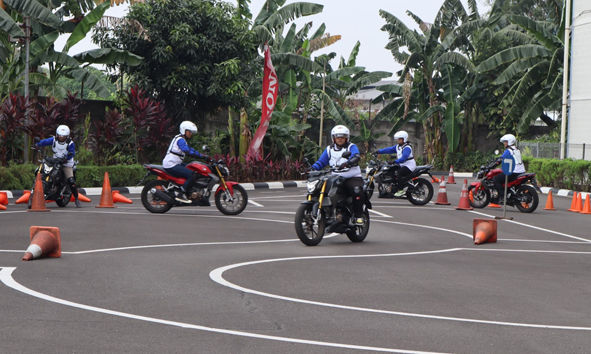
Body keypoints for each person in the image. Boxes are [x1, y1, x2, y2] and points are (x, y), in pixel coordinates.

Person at [311, 125, 365, 226]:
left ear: (346, 138)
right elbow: (321, 162)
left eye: (342, 137)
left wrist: (348, 163)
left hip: (352, 177)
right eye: (337, 137)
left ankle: (358, 216)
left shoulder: (351, 147)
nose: (340, 139)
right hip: (335, 177)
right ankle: (328, 212)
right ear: (334, 138)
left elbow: (356, 156)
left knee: (357, 190)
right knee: (320, 190)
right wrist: (313, 168)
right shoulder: (329, 149)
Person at [163, 121, 211, 203]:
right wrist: (201, 156)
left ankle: (190, 191)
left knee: (192, 167)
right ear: (183, 130)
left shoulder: (182, 139)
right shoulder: (180, 140)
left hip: (176, 163)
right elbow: (187, 151)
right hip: (171, 164)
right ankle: (181, 194)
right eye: (189, 131)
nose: (191, 133)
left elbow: (190, 149)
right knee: (192, 174)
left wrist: (202, 155)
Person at [36, 125, 82, 208]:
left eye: (63, 136)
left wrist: (66, 158)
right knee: (44, 171)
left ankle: (76, 199)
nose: (61, 137)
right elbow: (44, 142)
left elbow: (72, 153)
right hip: (55, 161)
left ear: (67, 136)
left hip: (66, 163)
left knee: (71, 180)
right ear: (57, 135)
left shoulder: (70, 143)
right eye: (60, 135)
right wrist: (37, 144)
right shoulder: (53, 140)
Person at [373, 130, 416, 197]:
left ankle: (401, 190)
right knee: (391, 171)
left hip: (409, 165)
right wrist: (378, 151)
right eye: (398, 139)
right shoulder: (398, 147)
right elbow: (389, 150)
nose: (398, 140)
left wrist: (394, 161)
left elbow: (403, 158)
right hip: (402, 165)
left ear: (404, 139)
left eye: (400, 139)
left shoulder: (407, 148)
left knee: (398, 173)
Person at [493, 134, 525, 203]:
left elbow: (501, 159)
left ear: (509, 142)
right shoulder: (516, 149)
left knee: (496, 179)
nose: (504, 143)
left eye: (506, 142)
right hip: (521, 171)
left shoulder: (508, 150)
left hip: (514, 172)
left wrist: (494, 164)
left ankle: (502, 196)